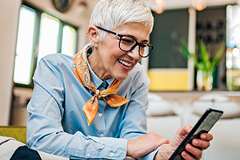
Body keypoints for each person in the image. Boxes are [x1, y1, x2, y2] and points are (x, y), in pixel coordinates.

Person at [27, 0, 213, 159]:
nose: (135, 55)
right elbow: (41, 139)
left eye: (143, 45)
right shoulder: (54, 68)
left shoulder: (137, 79)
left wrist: (164, 153)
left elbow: (134, 138)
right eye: (126, 40)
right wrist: (125, 148)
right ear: (94, 35)